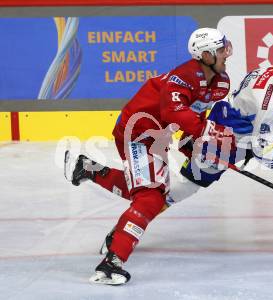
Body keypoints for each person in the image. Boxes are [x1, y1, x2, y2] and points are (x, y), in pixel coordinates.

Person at [66, 37, 273, 282]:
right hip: (229, 139)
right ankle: (117, 215)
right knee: (169, 194)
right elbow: (265, 154)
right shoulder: (268, 107)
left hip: (249, 126)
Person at [65, 27, 248, 285]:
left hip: (158, 135)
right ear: (205, 55)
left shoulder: (220, 83)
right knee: (150, 198)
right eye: (219, 50)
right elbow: (175, 112)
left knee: (148, 194)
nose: (225, 54)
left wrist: (194, 146)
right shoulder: (182, 78)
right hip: (136, 131)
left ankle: (91, 169)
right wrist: (206, 134)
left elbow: (195, 118)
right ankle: (111, 262)